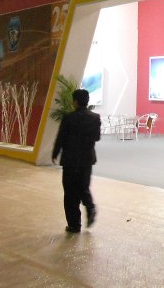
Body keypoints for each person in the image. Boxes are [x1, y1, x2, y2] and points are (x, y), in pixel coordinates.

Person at [52, 89, 102, 233]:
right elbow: (97, 137)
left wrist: (55, 153)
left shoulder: (68, 118)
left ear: (74, 102)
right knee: (83, 187)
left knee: (70, 192)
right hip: (87, 159)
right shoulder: (95, 118)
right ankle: (90, 207)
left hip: (70, 160)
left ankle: (74, 225)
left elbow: (61, 138)